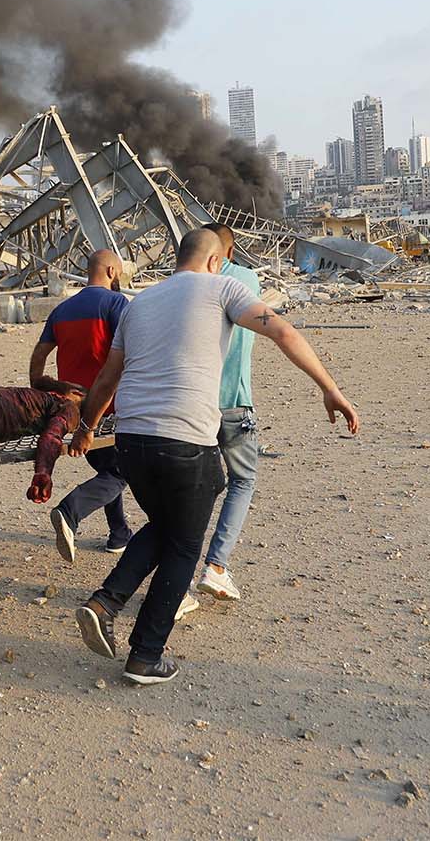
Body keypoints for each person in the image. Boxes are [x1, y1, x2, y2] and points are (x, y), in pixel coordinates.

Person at [68, 229, 360, 686]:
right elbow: (282, 330)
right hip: (184, 440)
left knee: (166, 526)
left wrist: (86, 428)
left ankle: (105, 604)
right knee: (185, 544)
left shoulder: (140, 302)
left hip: (131, 441)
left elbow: (107, 378)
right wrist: (331, 389)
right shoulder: (222, 285)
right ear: (215, 260)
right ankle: (145, 654)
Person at [29, 249, 134, 561]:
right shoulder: (116, 304)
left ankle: (119, 533)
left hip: (72, 410)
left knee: (106, 468)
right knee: (120, 473)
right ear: (112, 272)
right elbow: (127, 354)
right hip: (109, 408)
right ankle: (70, 511)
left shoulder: (62, 310)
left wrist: (49, 385)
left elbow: (38, 358)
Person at [195, 223, 259, 603]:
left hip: (191, 406)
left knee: (192, 489)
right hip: (235, 403)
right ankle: (216, 566)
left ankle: (179, 576)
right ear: (228, 253)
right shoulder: (246, 279)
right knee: (242, 481)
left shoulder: (187, 286)